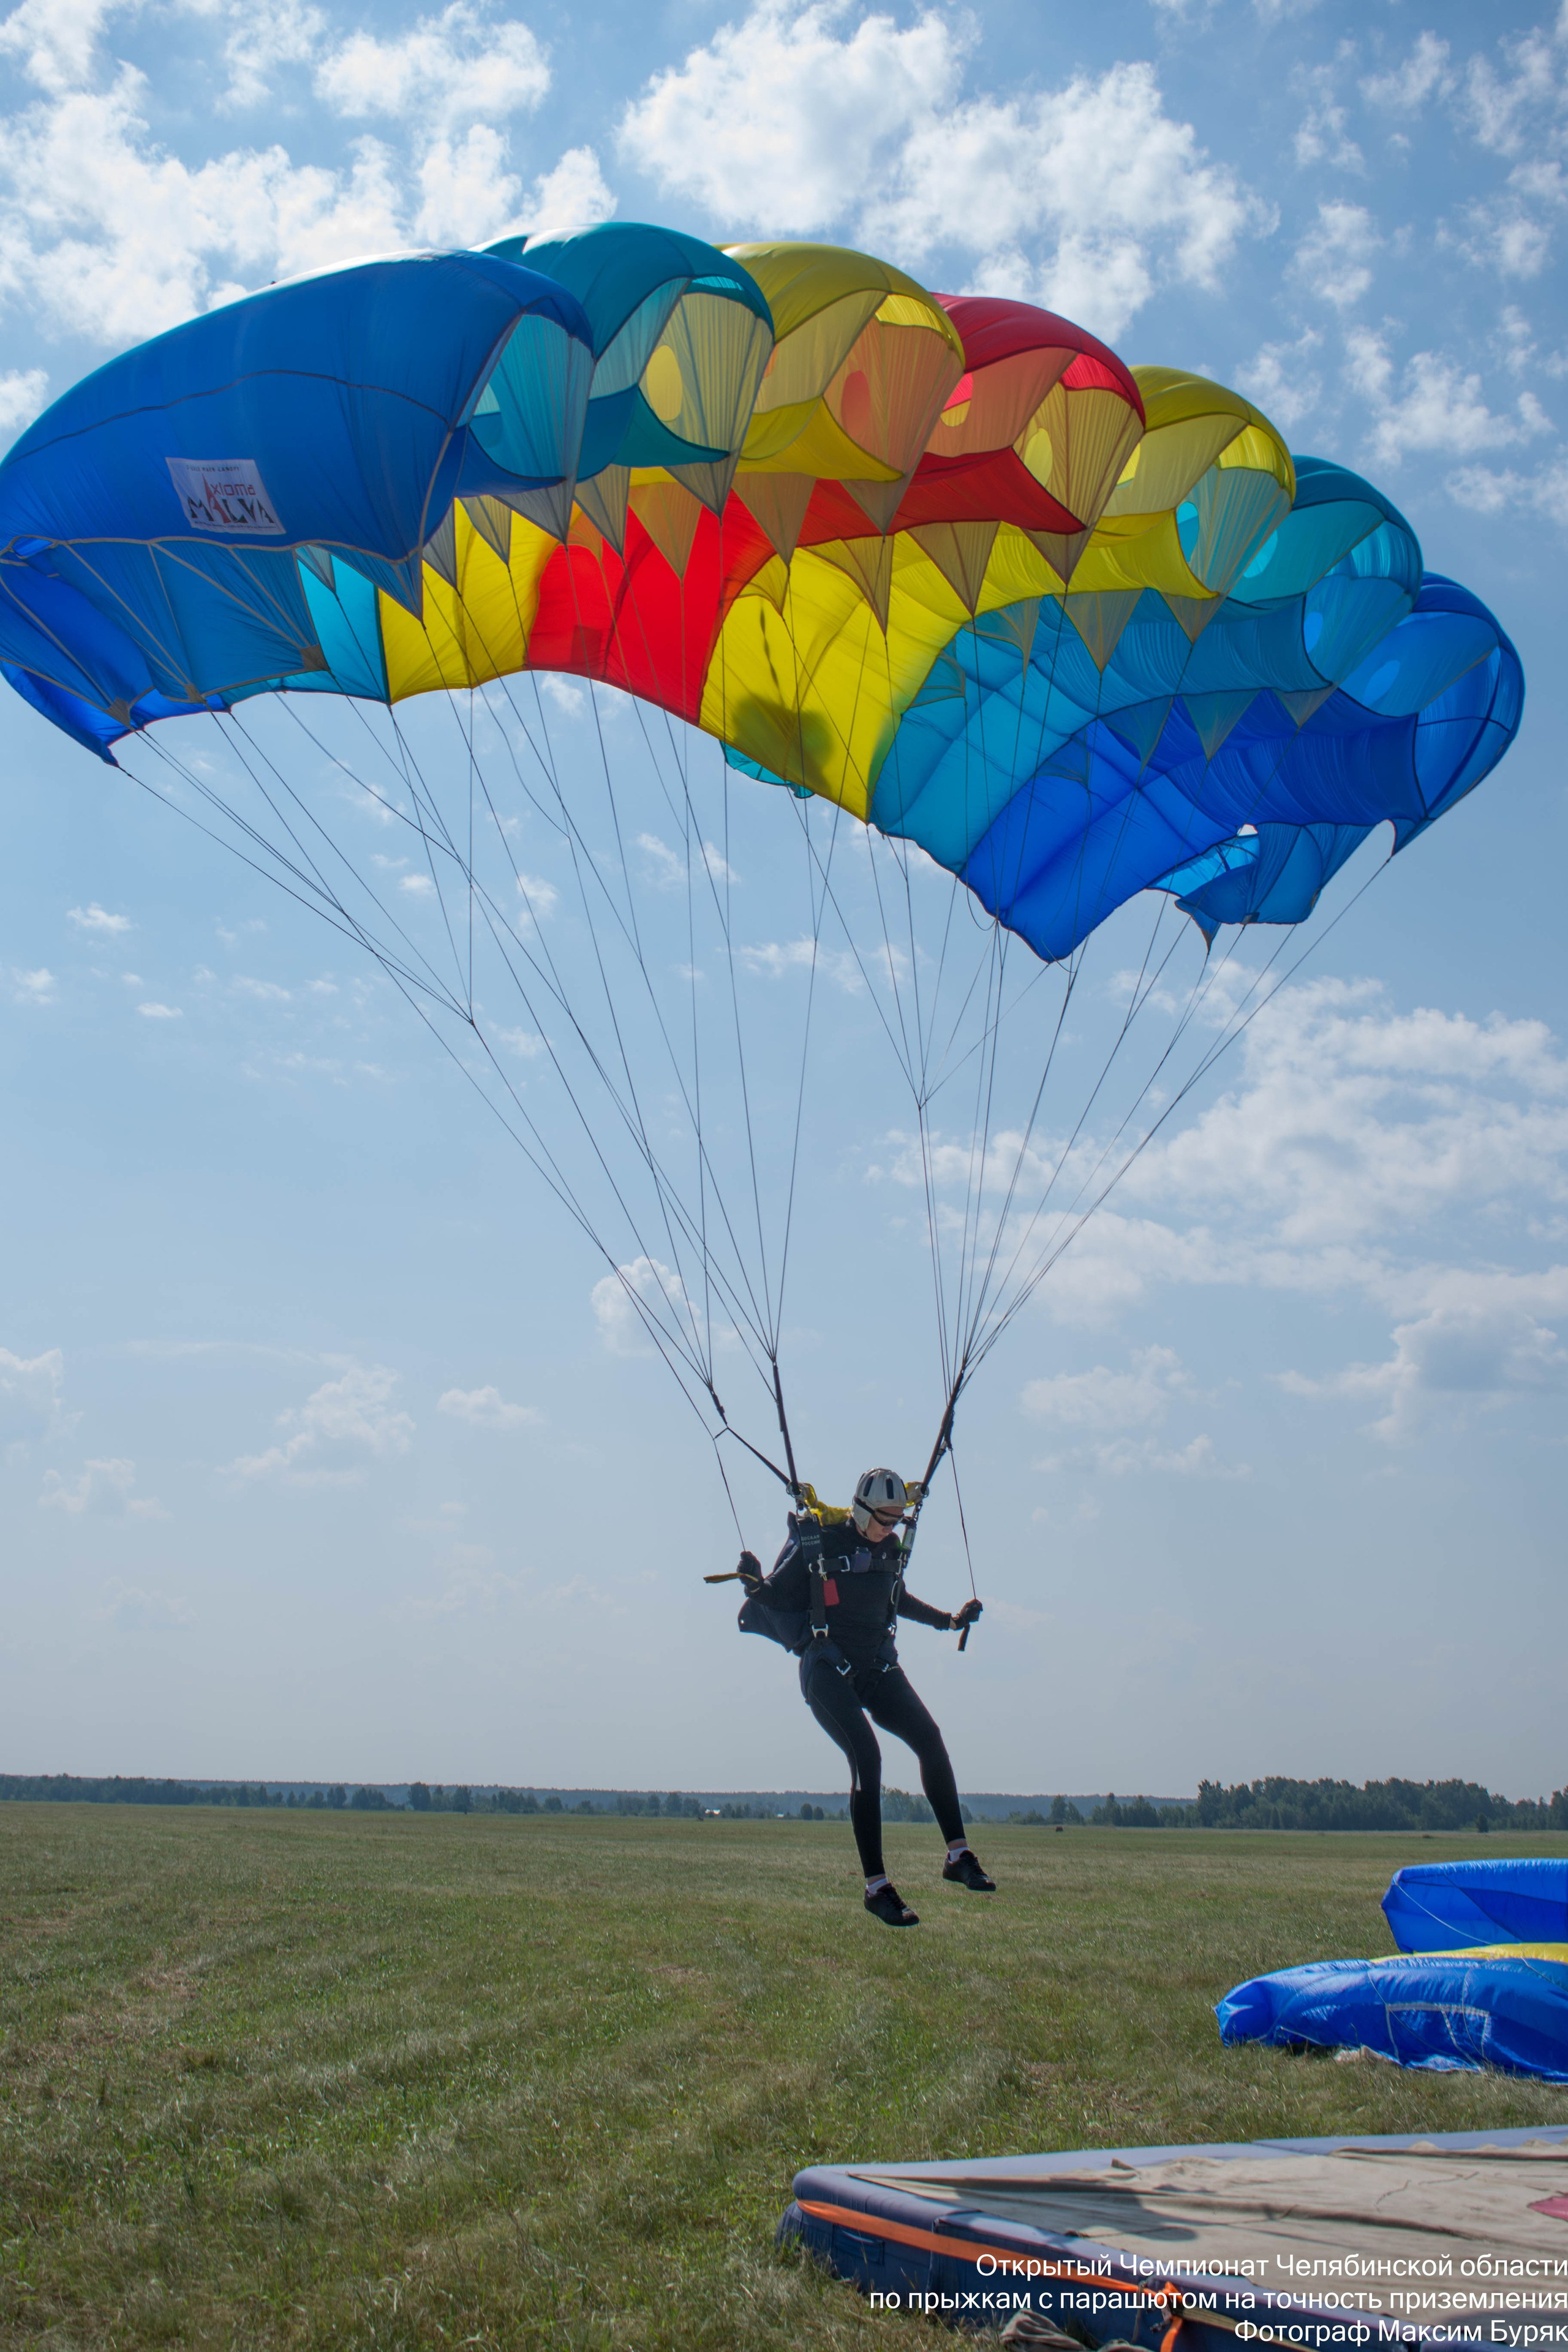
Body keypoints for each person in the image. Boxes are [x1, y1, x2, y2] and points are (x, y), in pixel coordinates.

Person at [738, 1466, 993, 1928]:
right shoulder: (822, 1542)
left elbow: (897, 1599)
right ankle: (877, 1888)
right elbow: (777, 1595)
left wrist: (950, 1622)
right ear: (861, 1509)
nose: (889, 1529)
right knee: (867, 1756)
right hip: (825, 1668)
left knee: (930, 1738)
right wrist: (755, 1584)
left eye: (896, 1521)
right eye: (883, 1519)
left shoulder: (890, 1548)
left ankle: (958, 1857)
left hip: (877, 1666)